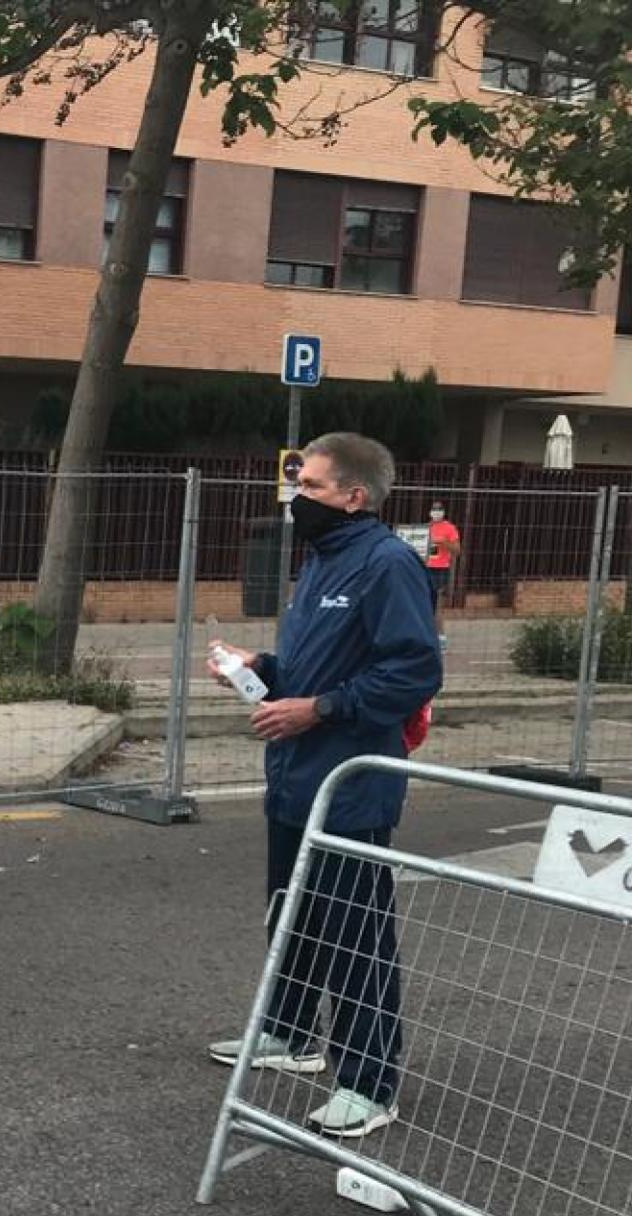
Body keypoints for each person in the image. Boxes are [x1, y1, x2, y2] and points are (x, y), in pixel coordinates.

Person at [206, 432, 442, 1139]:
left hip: (348, 787)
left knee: (355, 934)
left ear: (353, 496)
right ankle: (291, 1032)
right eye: (297, 483)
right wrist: (265, 668)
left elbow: (413, 671)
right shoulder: (319, 563)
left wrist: (320, 709)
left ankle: (370, 1084)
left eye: (309, 486)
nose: (295, 497)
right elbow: (320, 664)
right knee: (291, 911)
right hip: (292, 778)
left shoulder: (387, 565)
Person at [424, 500, 461, 649]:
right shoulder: (427, 528)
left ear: (443, 512)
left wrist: (443, 543)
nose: (436, 512)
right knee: (425, 604)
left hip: (440, 569)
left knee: (438, 605)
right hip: (425, 568)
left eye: (439, 509)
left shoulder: (450, 528)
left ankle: (441, 637)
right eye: (434, 509)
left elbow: (457, 550)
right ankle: (427, 636)